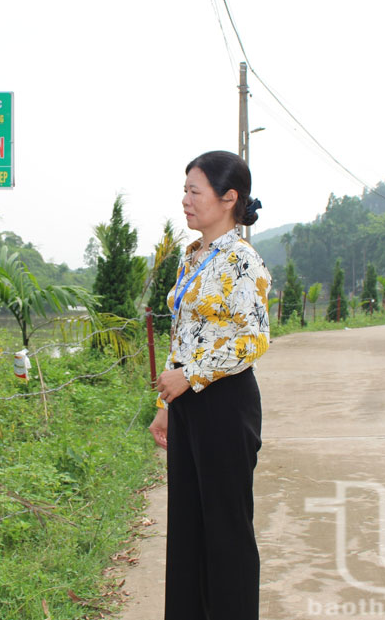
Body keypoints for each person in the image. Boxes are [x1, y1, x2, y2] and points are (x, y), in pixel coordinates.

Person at [149, 151, 271, 619]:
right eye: (185, 190)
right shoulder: (194, 256)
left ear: (228, 198)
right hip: (188, 405)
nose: (185, 200)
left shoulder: (242, 260)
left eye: (194, 191)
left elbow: (254, 340)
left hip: (225, 404)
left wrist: (191, 377)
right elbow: (184, 334)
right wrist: (167, 401)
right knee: (188, 528)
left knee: (225, 532)